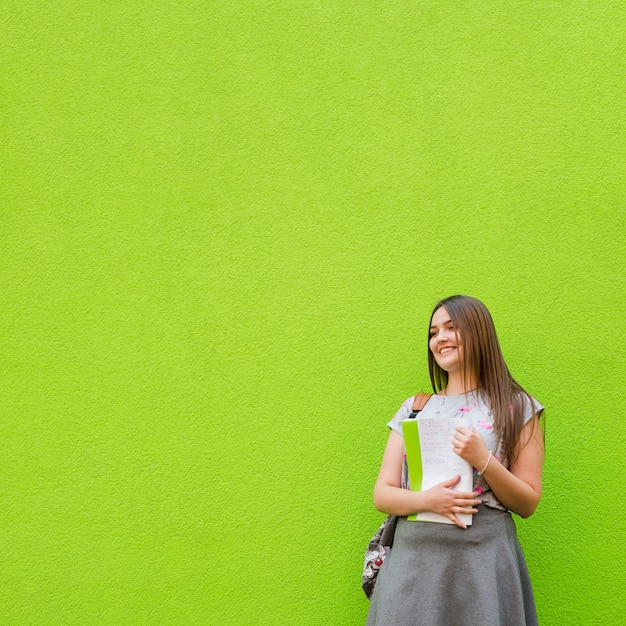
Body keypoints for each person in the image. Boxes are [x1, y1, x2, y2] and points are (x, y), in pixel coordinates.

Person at [366, 295, 544, 626]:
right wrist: (428, 500)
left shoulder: (519, 407)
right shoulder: (414, 408)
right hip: (412, 566)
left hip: (482, 564)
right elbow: (383, 493)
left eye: (452, 327)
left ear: (480, 332)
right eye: (434, 332)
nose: (440, 339)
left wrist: (483, 459)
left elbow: (528, 502)